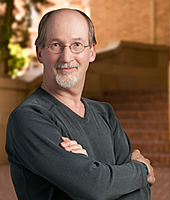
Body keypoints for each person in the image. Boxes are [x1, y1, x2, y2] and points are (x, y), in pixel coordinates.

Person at [5, 8, 155, 200]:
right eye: (56, 45)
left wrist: (93, 173)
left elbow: (140, 194)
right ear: (40, 52)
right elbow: (95, 187)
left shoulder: (105, 114)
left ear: (91, 52)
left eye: (77, 44)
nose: (66, 57)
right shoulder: (29, 118)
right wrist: (140, 170)